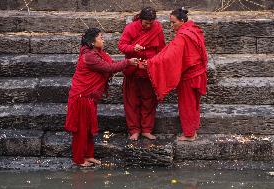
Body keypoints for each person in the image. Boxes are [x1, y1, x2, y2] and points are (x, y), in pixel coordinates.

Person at [65, 28, 138, 167]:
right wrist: (128, 62)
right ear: (92, 42)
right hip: (82, 97)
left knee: (88, 129)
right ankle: (79, 159)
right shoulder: (90, 56)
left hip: (89, 98)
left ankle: (88, 155)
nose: (103, 39)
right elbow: (108, 68)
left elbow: (110, 64)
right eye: (100, 37)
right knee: (81, 130)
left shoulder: (97, 53)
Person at [144, 8, 208, 141]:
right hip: (198, 73)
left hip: (189, 76)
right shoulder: (194, 29)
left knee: (187, 105)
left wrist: (150, 63)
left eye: (173, 23)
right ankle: (193, 130)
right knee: (194, 104)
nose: (172, 26)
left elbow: (169, 56)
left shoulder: (183, 36)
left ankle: (189, 134)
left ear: (182, 21)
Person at [118, 7, 166, 140]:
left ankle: (146, 129)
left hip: (149, 70)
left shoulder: (157, 28)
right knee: (131, 101)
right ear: (140, 19)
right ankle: (134, 130)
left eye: (151, 23)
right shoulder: (131, 28)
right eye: (146, 23)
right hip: (133, 70)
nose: (148, 26)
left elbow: (162, 50)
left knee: (149, 101)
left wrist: (153, 62)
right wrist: (133, 48)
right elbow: (121, 46)